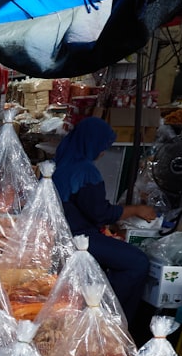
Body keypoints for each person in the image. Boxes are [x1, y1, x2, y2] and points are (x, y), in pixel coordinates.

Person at [52, 116, 157, 323]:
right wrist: (136, 210)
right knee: (137, 262)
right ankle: (109, 316)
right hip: (77, 237)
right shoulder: (84, 170)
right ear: (92, 143)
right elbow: (101, 214)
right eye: (103, 147)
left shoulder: (59, 161)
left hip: (59, 232)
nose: (102, 152)